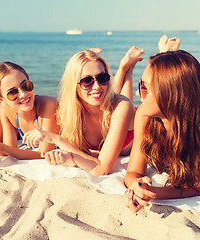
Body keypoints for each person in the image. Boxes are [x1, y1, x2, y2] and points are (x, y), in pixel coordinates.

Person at [123, 30, 200, 213]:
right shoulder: (144, 117)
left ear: (170, 95)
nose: (139, 93)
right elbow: (133, 172)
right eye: (141, 85)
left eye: (145, 88)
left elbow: (195, 186)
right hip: (189, 117)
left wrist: (154, 192)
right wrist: (137, 186)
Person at [21, 47, 146, 176]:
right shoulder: (67, 113)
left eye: (102, 77)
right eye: (87, 81)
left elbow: (101, 169)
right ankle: (125, 67)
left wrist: (56, 139)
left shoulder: (122, 107)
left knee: (120, 101)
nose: (96, 85)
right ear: (73, 84)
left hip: (127, 125)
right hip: (109, 108)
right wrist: (70, 156)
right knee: (105, 95)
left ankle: (126, 68)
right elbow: (87, 156)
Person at [0, 62, 60, 164]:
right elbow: (10, 149)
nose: (23, 94)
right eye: (13, 93)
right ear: (1, 100)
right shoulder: (6, 110)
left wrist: (1, 147)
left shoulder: (48, 104)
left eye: (25, 85)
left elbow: (43, 154)